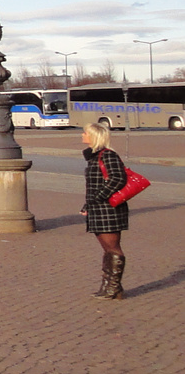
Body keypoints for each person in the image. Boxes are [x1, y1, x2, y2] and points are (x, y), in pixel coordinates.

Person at [82, 122, 133, 300]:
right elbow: (94, 185)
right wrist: (88, 205)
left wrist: (98, 197)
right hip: (98, 209)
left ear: (94, 136)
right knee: (107, 248)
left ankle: (114, 287)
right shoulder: (93, 157)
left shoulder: (108, 155)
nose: (83, 136)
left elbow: (118, 179)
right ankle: (109, 286)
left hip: (109, 209)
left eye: (85, 133)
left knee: (113, 247)